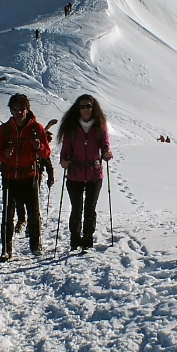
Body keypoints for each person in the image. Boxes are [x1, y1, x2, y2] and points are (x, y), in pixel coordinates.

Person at [0, 93, 51, 261]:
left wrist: (39, 147)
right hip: (10, 176)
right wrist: (4, 155)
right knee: (7, 214)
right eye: (15, 109)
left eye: (21, 109)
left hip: (29, 175)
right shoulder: (4, 129)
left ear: (27, 109)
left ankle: (35, 244)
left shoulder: (37, 128)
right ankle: (6, 249)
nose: (18, 112)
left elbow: (46, 153)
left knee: (33, 213)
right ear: (11, 110)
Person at [58, 94, 113, 251]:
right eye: (82, 106)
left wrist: (107, 152)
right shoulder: (71, 129)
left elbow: (105, 146)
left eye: (88, 106)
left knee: (89, 209)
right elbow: (65, 150)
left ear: (93, 107)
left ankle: (87, 241)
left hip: (94, 175)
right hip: (75, 174)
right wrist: (64, 160)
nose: (85, 109)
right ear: (78, 108)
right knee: (77, 209)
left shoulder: (100, 128)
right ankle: (75, 241)